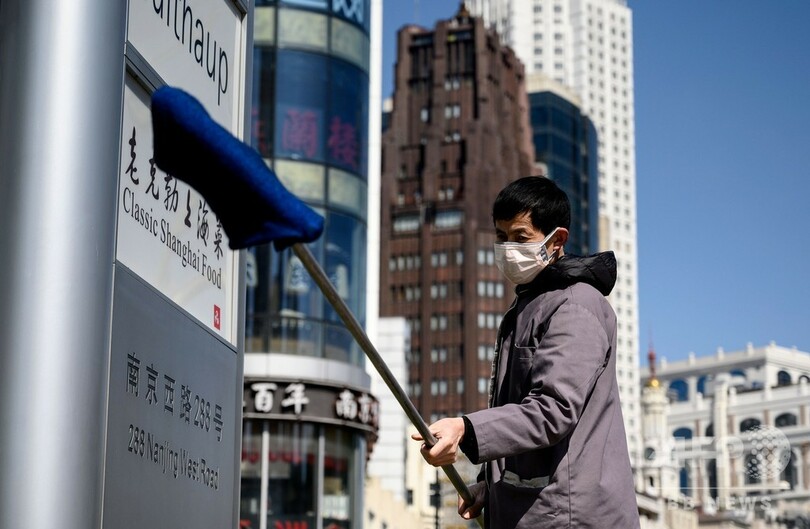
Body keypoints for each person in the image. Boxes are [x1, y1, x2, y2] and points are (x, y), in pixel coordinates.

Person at [412, 176, 640, 528]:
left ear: (557, 240)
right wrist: (491, 486)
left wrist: (466, 430)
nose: (508, 249)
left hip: (570, 516)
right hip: (544, 511)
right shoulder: (530, 306)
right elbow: (520, 417)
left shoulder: (574, 306)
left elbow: (553, 410)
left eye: (521, 238)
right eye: (501, 237)